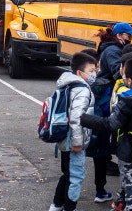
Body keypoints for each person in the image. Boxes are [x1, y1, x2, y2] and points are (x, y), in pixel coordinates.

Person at [81, 58, 132, 211]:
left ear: (128, 80)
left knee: (129, 180)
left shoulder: (127, 100)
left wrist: (84, 118)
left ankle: (131, 205)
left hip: (129, 147)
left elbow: (111, 124)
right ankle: (131, 200)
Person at [89, 22, 132, 204]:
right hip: (105, 100)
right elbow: (117, 74)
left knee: (108, 141)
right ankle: (100, 188)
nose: (131, 38)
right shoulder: (113, 51)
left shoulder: (116, 49)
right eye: (128, 35)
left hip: (110, 98)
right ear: (120, 36)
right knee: (102, 141)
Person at [48, 52, 97, 211]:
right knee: (76, 177)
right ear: (79, 73)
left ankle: (56, 204)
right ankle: (70, 207)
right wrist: (78, 143)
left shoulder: (66, 84)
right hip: (74, 140)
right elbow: (77, 118)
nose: (94, 74)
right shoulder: (82, 90)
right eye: (91, 71)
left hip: (63, 137)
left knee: (67, 173)